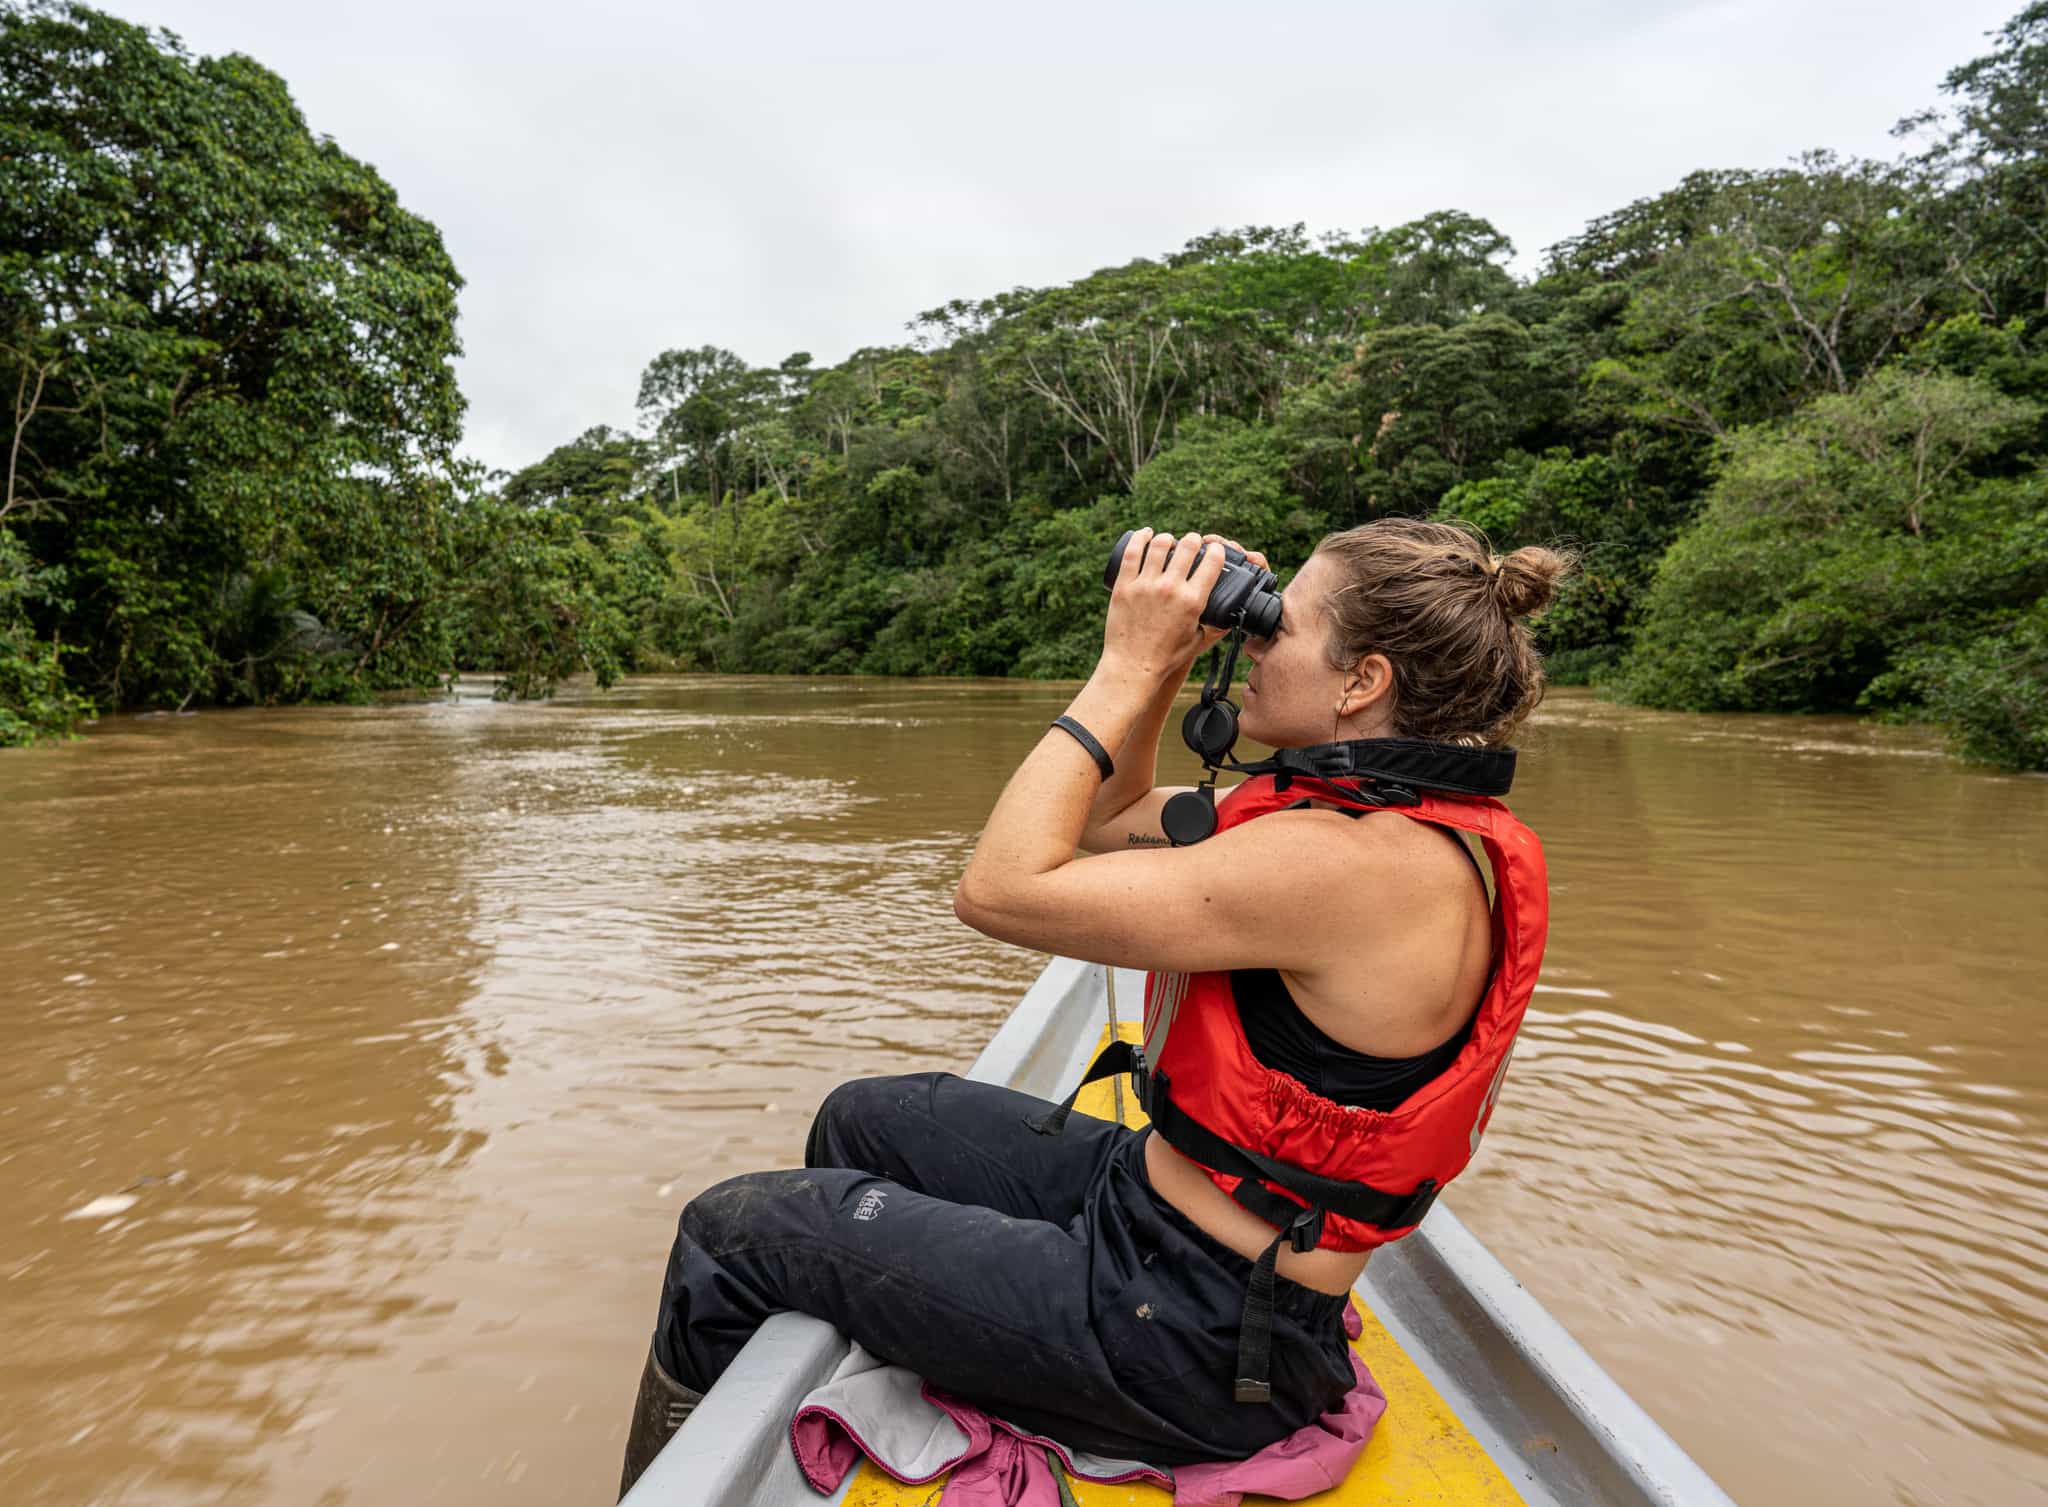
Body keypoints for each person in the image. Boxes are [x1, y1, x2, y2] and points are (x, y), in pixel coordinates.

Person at [615, 519, 1569, 1499]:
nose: (1247, 642)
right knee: (864, 1115)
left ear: (1359, 680)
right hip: (1159, 1223)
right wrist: (1169, 667)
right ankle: (912, 1304)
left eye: (1271, 627)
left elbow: (997, 888)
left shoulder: (1347, 864)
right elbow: (1112, 821)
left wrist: (1122, 665)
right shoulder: (1368, 819)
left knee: (731, 1232)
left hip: (1185, 1332)